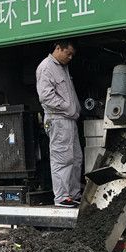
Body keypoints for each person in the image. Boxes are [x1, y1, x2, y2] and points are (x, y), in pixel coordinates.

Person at [36, 40, 83, 207]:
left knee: (75, 158)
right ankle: (62, 197)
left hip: (69, 120)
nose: (70, 57)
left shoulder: (62, 67)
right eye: (68, 53)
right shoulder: (46, 67)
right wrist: (68, 108)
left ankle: (74, 194)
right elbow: (46, 97)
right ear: (57, 48)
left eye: (72, 55)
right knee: (62, 159)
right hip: (58, 119)